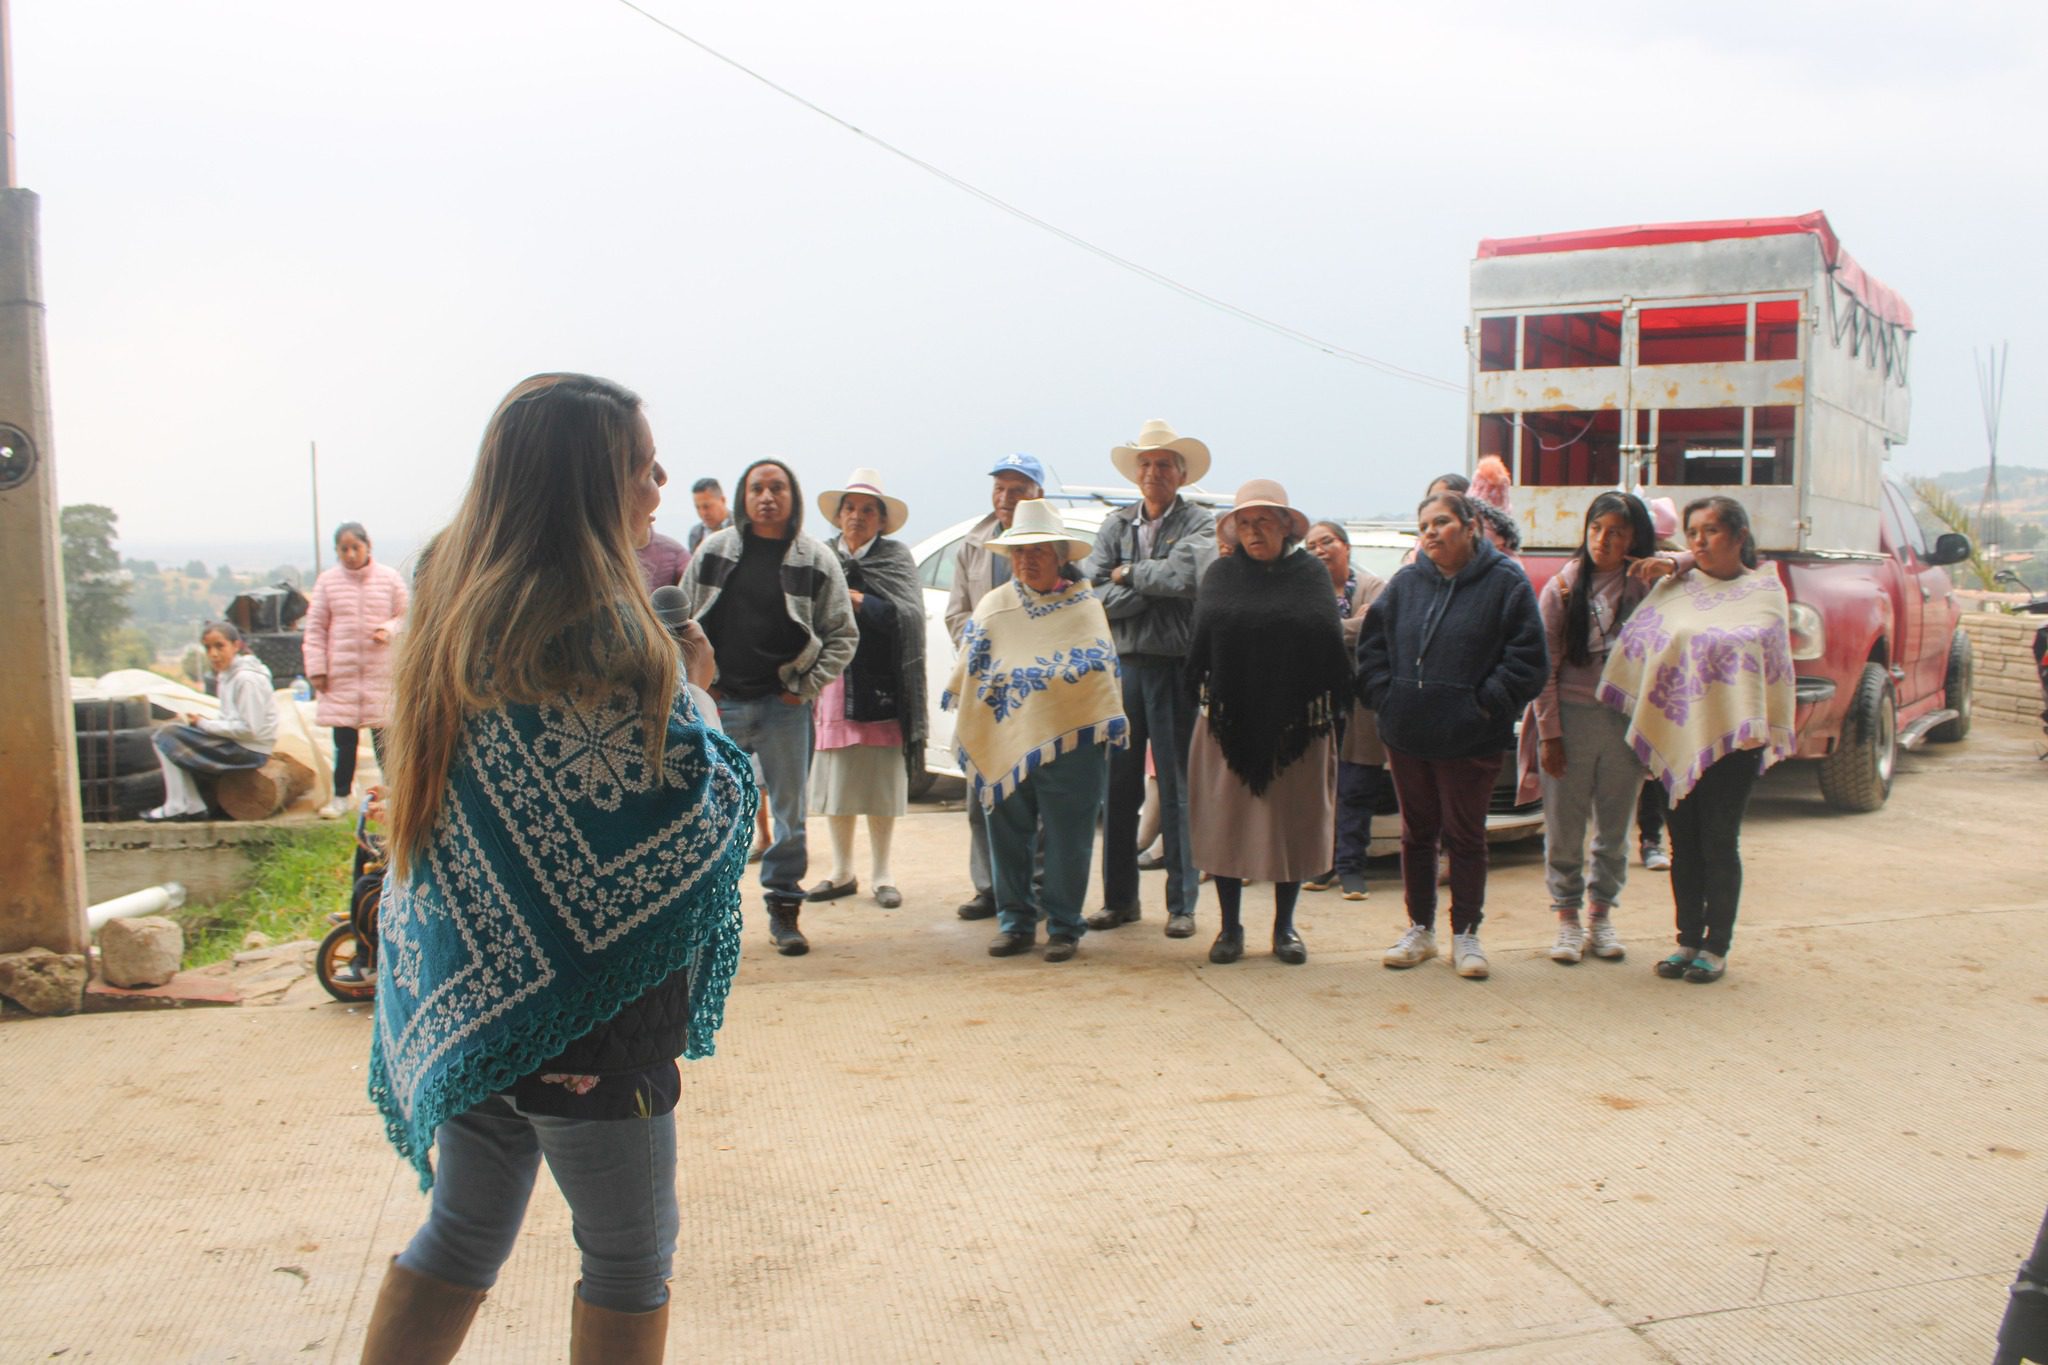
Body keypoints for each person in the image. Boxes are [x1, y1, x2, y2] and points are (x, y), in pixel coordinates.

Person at [361, 373, 754, 1365]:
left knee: (463, 1230)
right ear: (588, 478)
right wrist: (697, 697)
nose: (659, 480)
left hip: (471, 997)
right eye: (638, 462)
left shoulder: (460, 601)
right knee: (628, 1258)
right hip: (591, 1010)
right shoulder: (598, 633)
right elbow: (689, 818)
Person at [1598, 495, 1794, 984]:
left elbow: (1766, 660)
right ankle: (1686, 939)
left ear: (1739, 536)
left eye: (1711, 531)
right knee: (1682, 843)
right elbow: (1638, 645)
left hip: (1735, 741)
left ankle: (1716, 946)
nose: (1700, 542)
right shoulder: (1675, 587)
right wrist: (1677, 562)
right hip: (1676, 731)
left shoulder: (1766, 592)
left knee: (1719, 842)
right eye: (1693, 533)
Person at [1358, 491, 1546, 980]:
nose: (1431, 533)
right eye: (1423, 526)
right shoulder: (1404, 584)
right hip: (1407, 733)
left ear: (1470, 527)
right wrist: (1386, 697)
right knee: (1416, 835)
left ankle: (1467, 934)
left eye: (1442, 523)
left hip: (1470, 738)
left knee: (1466, 837)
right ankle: (1419, 929)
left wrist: (1482, 705)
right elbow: (1372, 647)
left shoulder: (1506, 583)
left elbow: (1529, 661)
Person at [680, 457, 859, 957]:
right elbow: (682, 627)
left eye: (777, 487)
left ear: (792, 497)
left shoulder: (815, 559)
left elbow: (843, 634)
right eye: (757, 487)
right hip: (723, 706)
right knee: (709, 813)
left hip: (784, 707)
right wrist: (701, 688)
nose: (767, 496)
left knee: (789, 817)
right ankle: (707, 922)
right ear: (743, 496)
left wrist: (802, 689)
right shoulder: (715, 552)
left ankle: (785, 911)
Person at [943, 500, 1126, 962]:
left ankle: (1064, 927)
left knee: (1070, 837)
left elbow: (1098, 672)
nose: (1027, 559)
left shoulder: (1086, 608)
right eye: (1019, 551)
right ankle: (1016, 922)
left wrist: (1048, 686)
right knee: (1006, 832)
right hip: (1004, 736)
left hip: (1074, 742)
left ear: (1060, 553)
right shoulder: (994, 606)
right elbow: (973, 670)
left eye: (1038, 549)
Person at [1185, 483, 1350, 965]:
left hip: (1296, 722)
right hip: (1227, 720)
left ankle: (1285, 927)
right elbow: (1202, 643)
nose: (1253, 531)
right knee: (1226, 825)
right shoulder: (1220, 575)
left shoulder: (1310, 575)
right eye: (1244, 523)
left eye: (1263, 521)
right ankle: (1229, 928)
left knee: (1291, 824)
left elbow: (1325, 638)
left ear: (1285, 526)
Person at [1523, 492, 1681, 965]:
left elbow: (1699, 572)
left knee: (1613, 828)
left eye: (1616, 531)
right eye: (1596, 529)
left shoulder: (1651, 588)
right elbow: (1543, 667)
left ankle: (1601, 916)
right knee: (1565, 828)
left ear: (1636, 536)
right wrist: (1550, 734)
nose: (1603, 540)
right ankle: (1567, 919)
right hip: (1570, 721)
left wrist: (1664, 564)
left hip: (1625, 724)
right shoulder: (1563, 588)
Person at [1082, 420, 1218, 940]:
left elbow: (1188, 578)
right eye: (1146, 463)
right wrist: (1144, 583)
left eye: (1164, 464)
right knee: (1117, 786)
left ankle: (1181, 903)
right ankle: (1120, 900)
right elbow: (1091, 590)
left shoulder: (1200, 523)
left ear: (1181, 474)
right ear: (1135, 472)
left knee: (1179, 786)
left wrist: (1127, 573)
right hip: (1122, 669)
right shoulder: (1115, 524)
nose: (1154, 472)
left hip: (1175, 666)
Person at [807, 469, 925, 910]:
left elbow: (905, 616)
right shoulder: (821, 557)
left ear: (881, 519)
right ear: (838, 516)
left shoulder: (895, 558)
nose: (857, 516)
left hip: (882, 683)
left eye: (867, 510)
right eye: (850, 508)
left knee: (878, 779)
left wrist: (856, 599)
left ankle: (882, 873)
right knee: (838, 777)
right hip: (834, 681)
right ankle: (841, 871)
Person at [945, 452, 1052, 921]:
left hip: (1041, 692)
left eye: (1017, 489)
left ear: (1038, 495)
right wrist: (988, 645)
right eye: (1000, 488)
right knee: (982, 791)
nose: (1006, 497)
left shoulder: (1054, 542)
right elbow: (957, 613)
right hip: (986, 687)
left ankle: (1040, 887)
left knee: (1040, 795)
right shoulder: (972, 544)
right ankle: (989, 888)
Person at [1301, 519, 1386, 901]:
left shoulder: (1375, 587)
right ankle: (1323, 864)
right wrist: (1353, 625)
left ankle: (1352, 868)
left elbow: (1379, 630)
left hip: (1361, 705)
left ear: (1346, 546)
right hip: (1318, 703)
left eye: (1327, 541)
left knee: (1356, 789)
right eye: (1311, 546)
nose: (1320, 550)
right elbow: (1306, 635)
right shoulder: (1303, 591)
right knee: (1320, 789)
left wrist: (1332, 629)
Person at [303, 521, 409, 818]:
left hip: (380, 674)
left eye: (355, 547)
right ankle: (341, 796)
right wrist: (317, 670)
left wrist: (388, 629)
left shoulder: (389, 579)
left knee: (385, 742)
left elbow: (405, 616)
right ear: (337, 551)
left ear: (368, 546)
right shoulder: (328, 582)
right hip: (343, 675)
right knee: (344, 743)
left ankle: (393, 795)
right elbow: (315, 628)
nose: (350, 554)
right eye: (343, 549)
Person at [142, 622, 279, 822]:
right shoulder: (226, 676)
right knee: (171, 732)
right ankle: (192, 804)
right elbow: (231, 720)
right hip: (239, 743)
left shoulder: (246, 680)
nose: (213, 654)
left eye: (220, 646)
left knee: (165, 736)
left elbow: (250, 730)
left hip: (249, 750)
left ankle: (176, 805)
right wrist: (201, 723)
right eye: (208, 648)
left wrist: (204, 725)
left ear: (236, 646)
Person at [685, 476, 731, 554]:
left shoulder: (742, 528)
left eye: (707, 506)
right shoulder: (695, 534)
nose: (703, 513)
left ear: (723, 500)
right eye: (697, 507)